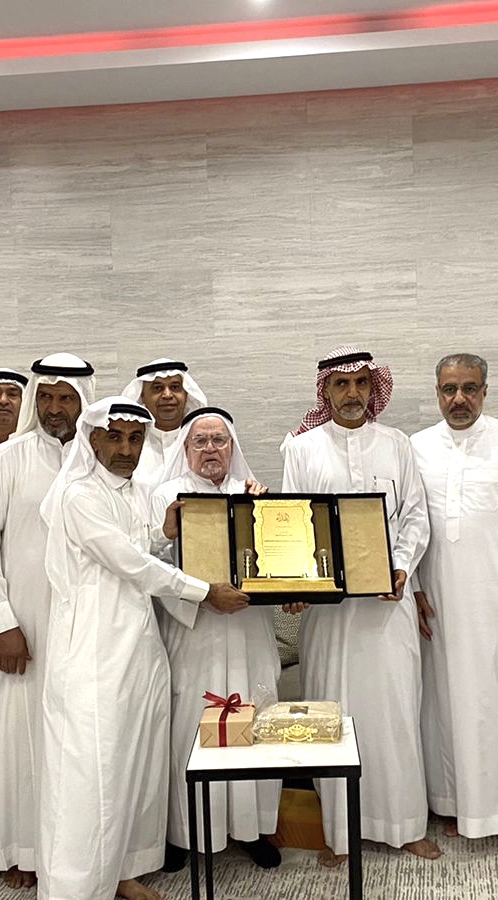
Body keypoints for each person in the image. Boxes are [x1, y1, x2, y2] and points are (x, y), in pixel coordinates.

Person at [39, 397, 250, 900]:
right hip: (94, 648)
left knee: (135, 761)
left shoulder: (135, 491)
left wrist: (165, 533)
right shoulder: (78, 494)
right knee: (92, 768)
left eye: (135, 439)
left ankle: (122, 871)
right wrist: (205, 591)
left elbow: (141, 548)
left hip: (139, 643)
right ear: (93, 440)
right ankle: (76, 887)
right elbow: (131, 564)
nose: (126, 449)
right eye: (115, 437)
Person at [281, 346, 439, 864]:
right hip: (330, 617)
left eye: (362, 384)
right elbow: (294, 523)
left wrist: (402, 568)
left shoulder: (397, 444)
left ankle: (405, 826)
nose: (352, 393)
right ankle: (340, 833)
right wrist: (299, 583)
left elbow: (415, 517)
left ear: (374, 389)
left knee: (396, 712)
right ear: (325, 391)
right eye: (341, 384)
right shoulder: (303, 448)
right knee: (334, 711)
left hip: (387, 607)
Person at [409, 353, 498, 839]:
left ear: (485, 391)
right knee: (447, 704)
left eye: (469, 388)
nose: (459, 399)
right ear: (437, 393)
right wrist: (415, 588)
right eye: (449, 389)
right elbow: (407, 524)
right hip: (440, 601)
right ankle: (454, 803)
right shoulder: (416, 447)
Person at [0, 352, 93, 889]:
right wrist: (3, 621)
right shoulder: (8, 459)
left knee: (74, 740)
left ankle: (74, 853)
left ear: (83, 401)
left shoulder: (98, 459)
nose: (54, 408)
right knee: (17, 738)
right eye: (45, 396)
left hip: (82, 625)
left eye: (66, 398)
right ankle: (22, 849)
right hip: (21, 624)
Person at [149, 407, 284, 871]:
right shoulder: (165, 495)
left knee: (253, 721)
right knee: (191, 726)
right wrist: (201, 596)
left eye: (219, 441)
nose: (210, 449)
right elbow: (150, 563)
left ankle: (252, 829)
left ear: (232, 447)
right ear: (186, 449)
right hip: (195, 633)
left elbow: (277, 563)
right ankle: (184, 834)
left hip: (248, 631)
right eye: (200, 441)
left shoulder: (253, 492)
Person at [120, 358, 209, 490]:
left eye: (175, 387)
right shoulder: (128, 445)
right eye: (157, 388)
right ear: (142, 396)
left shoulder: (206, 445)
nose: (167, 395)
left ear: (186, 394)